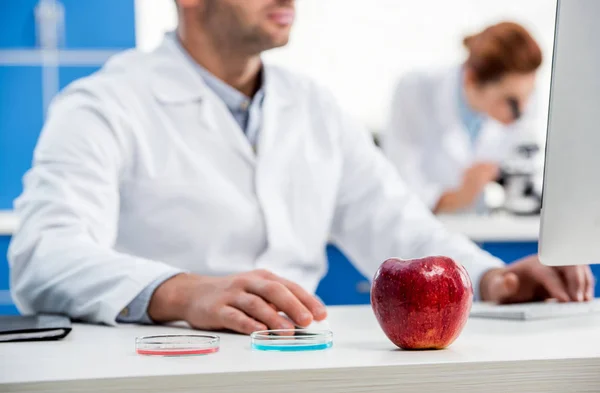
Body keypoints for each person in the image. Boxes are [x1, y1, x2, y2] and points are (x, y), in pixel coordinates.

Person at [8, 1, 594, 335]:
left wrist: (493, 279)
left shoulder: (314, 106)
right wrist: (177, 291)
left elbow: (400, 227)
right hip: (162, 369)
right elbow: (42, 253)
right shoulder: (104, 103)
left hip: (299, 367)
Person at [380, 22, 544, 214]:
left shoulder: (523, 103)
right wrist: (458, 196)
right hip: (424, 228)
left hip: (481, 227)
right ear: (471, 79)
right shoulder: (415, 92)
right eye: (511, 101)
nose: (522, 113)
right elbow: (398, 188)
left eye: (529, 95)